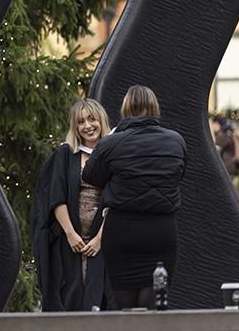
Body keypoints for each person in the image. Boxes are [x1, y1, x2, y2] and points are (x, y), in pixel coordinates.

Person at [82, 85, 186, 310]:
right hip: (161, 230)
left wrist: (110, 139)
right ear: (155, 108)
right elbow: (178, 175)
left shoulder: (111, 143)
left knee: (124, 307)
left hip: (122, 232)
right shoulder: (176, 141)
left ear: (125, 108)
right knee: (155, 306)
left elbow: (90, 176)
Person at [32, 98, 114, 311]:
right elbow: (56, 197)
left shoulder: (113, 155)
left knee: (101, 298)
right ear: (75, 127)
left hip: (103, 238)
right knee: (70, 295)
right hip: (70, 239)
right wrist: (70, 234)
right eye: (81, 122)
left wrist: (99, 239)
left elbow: (116, 199)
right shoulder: (65, 154)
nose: (87, 126)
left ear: (101, 120)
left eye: (92, 119)